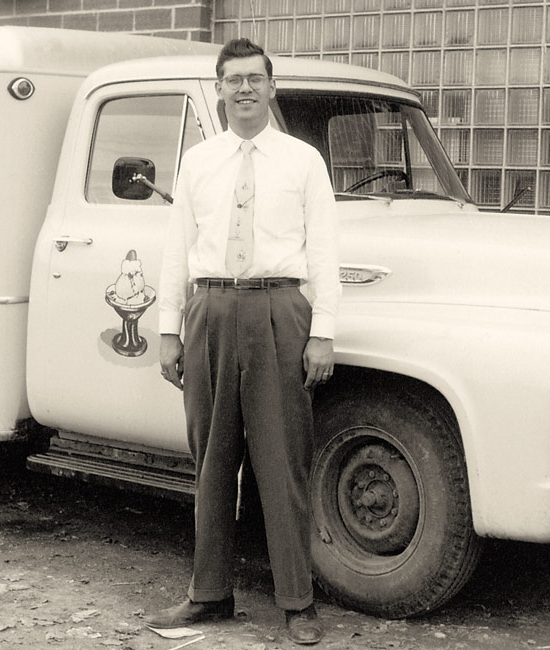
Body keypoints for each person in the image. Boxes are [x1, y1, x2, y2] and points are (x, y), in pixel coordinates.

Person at [149, 38, 341, 646]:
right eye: (233, 80)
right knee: (210, 459)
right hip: (211, 307)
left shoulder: (303, 161)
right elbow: (176, 248)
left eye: (255, 79)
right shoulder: (198, 162)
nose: (245, 90)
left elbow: (326, 254)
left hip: (280, 307)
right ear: (219, 89)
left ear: (271, 86)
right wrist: (169, 330)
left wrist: (323, 333)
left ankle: (296, 603)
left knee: (282, 458)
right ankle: (210, 594)